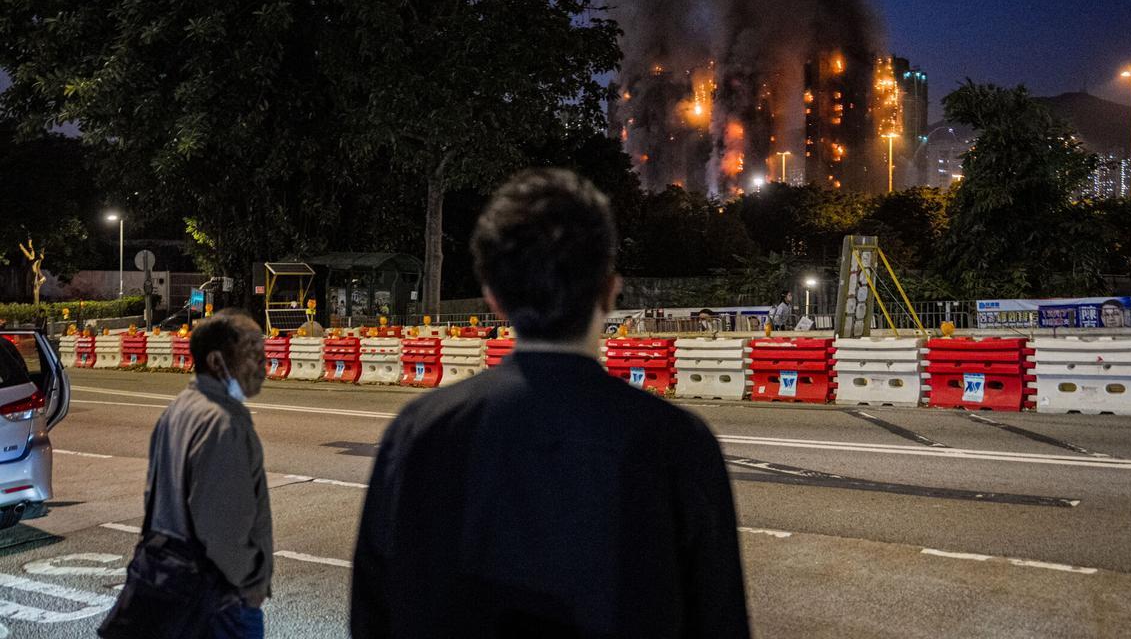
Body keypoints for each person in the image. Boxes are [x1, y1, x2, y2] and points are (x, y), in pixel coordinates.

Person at [352, 169, 749, 638]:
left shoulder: (418, 433)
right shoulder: (677, 443)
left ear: (493, 298)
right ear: (609, 290)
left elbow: (373, 616)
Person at [143, 309, 273, 638]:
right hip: (221, 599)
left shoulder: (178, 408)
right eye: (252, 351)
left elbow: (152, 496)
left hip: (176, 587)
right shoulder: (223, 422)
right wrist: (249, 584)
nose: (263, 363)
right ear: (216, 361)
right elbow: (221, 528)